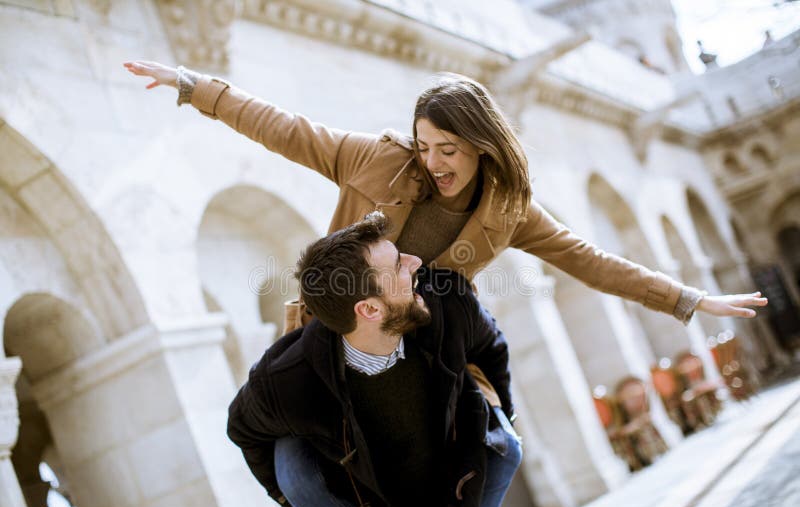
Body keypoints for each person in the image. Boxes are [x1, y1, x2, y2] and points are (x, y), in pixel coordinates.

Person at [123, 60, 767, 325]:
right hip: (330, 323)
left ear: (483, 145)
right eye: (424, 147)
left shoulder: (509, 210)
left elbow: (591, 261)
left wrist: (689, 300)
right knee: (296, 466)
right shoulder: (374, 159)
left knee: (500, 448)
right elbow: (285, 130)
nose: (433, 164)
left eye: (449, 150)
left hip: (420, 336)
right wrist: (193, 87)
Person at [227, 212, 521, 507]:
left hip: (454, 487)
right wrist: (301, 504)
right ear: (369, 309)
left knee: (506, 444)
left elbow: (492, 349)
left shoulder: (448, 302)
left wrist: (500, 413)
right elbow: (243, 429)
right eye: (398, 265)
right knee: (290, 460)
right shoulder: (286, 379)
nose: (414, 262)